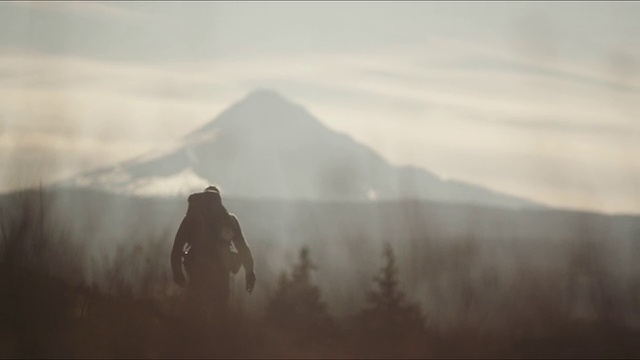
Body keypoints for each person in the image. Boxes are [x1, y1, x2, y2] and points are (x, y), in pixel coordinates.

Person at [171, 185, 256, 330]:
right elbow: (242, 248)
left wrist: (177, 273)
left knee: (195, 316)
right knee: (219, 315)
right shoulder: (229, 220)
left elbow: (176, 248)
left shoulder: (191, 219)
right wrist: (250, 272)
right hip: (221, 274)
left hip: (197, 273)